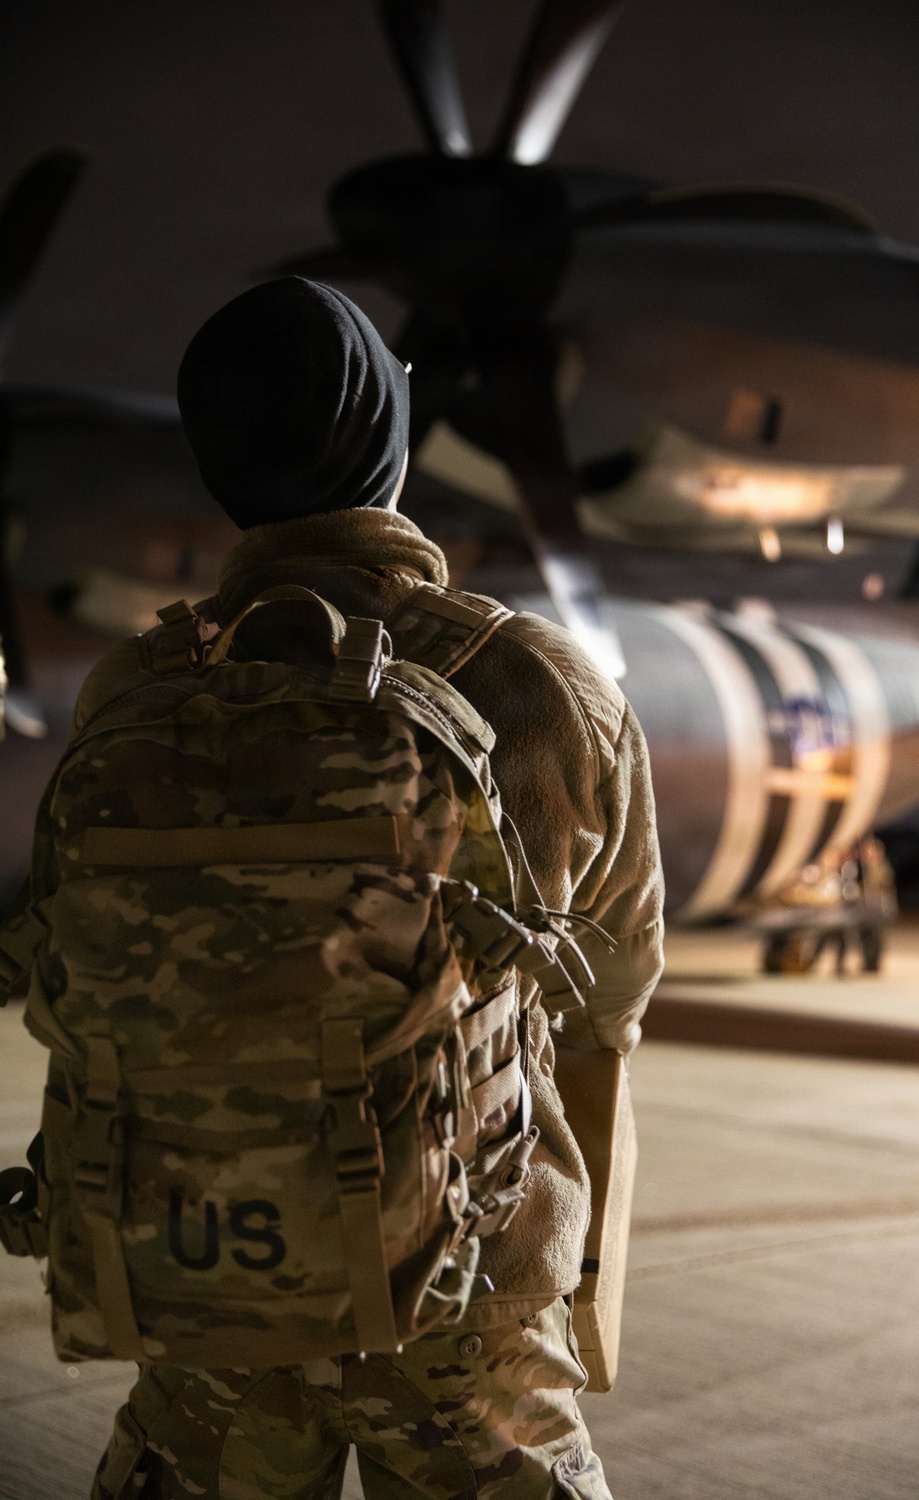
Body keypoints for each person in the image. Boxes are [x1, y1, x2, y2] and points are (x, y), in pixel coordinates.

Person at [61, 279, 664, 1499]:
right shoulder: (541, 683)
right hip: (464, 1326)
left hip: (207, 1293)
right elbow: (609, 1004)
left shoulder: (131, 689)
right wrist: (579, 1286)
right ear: (386, 446)